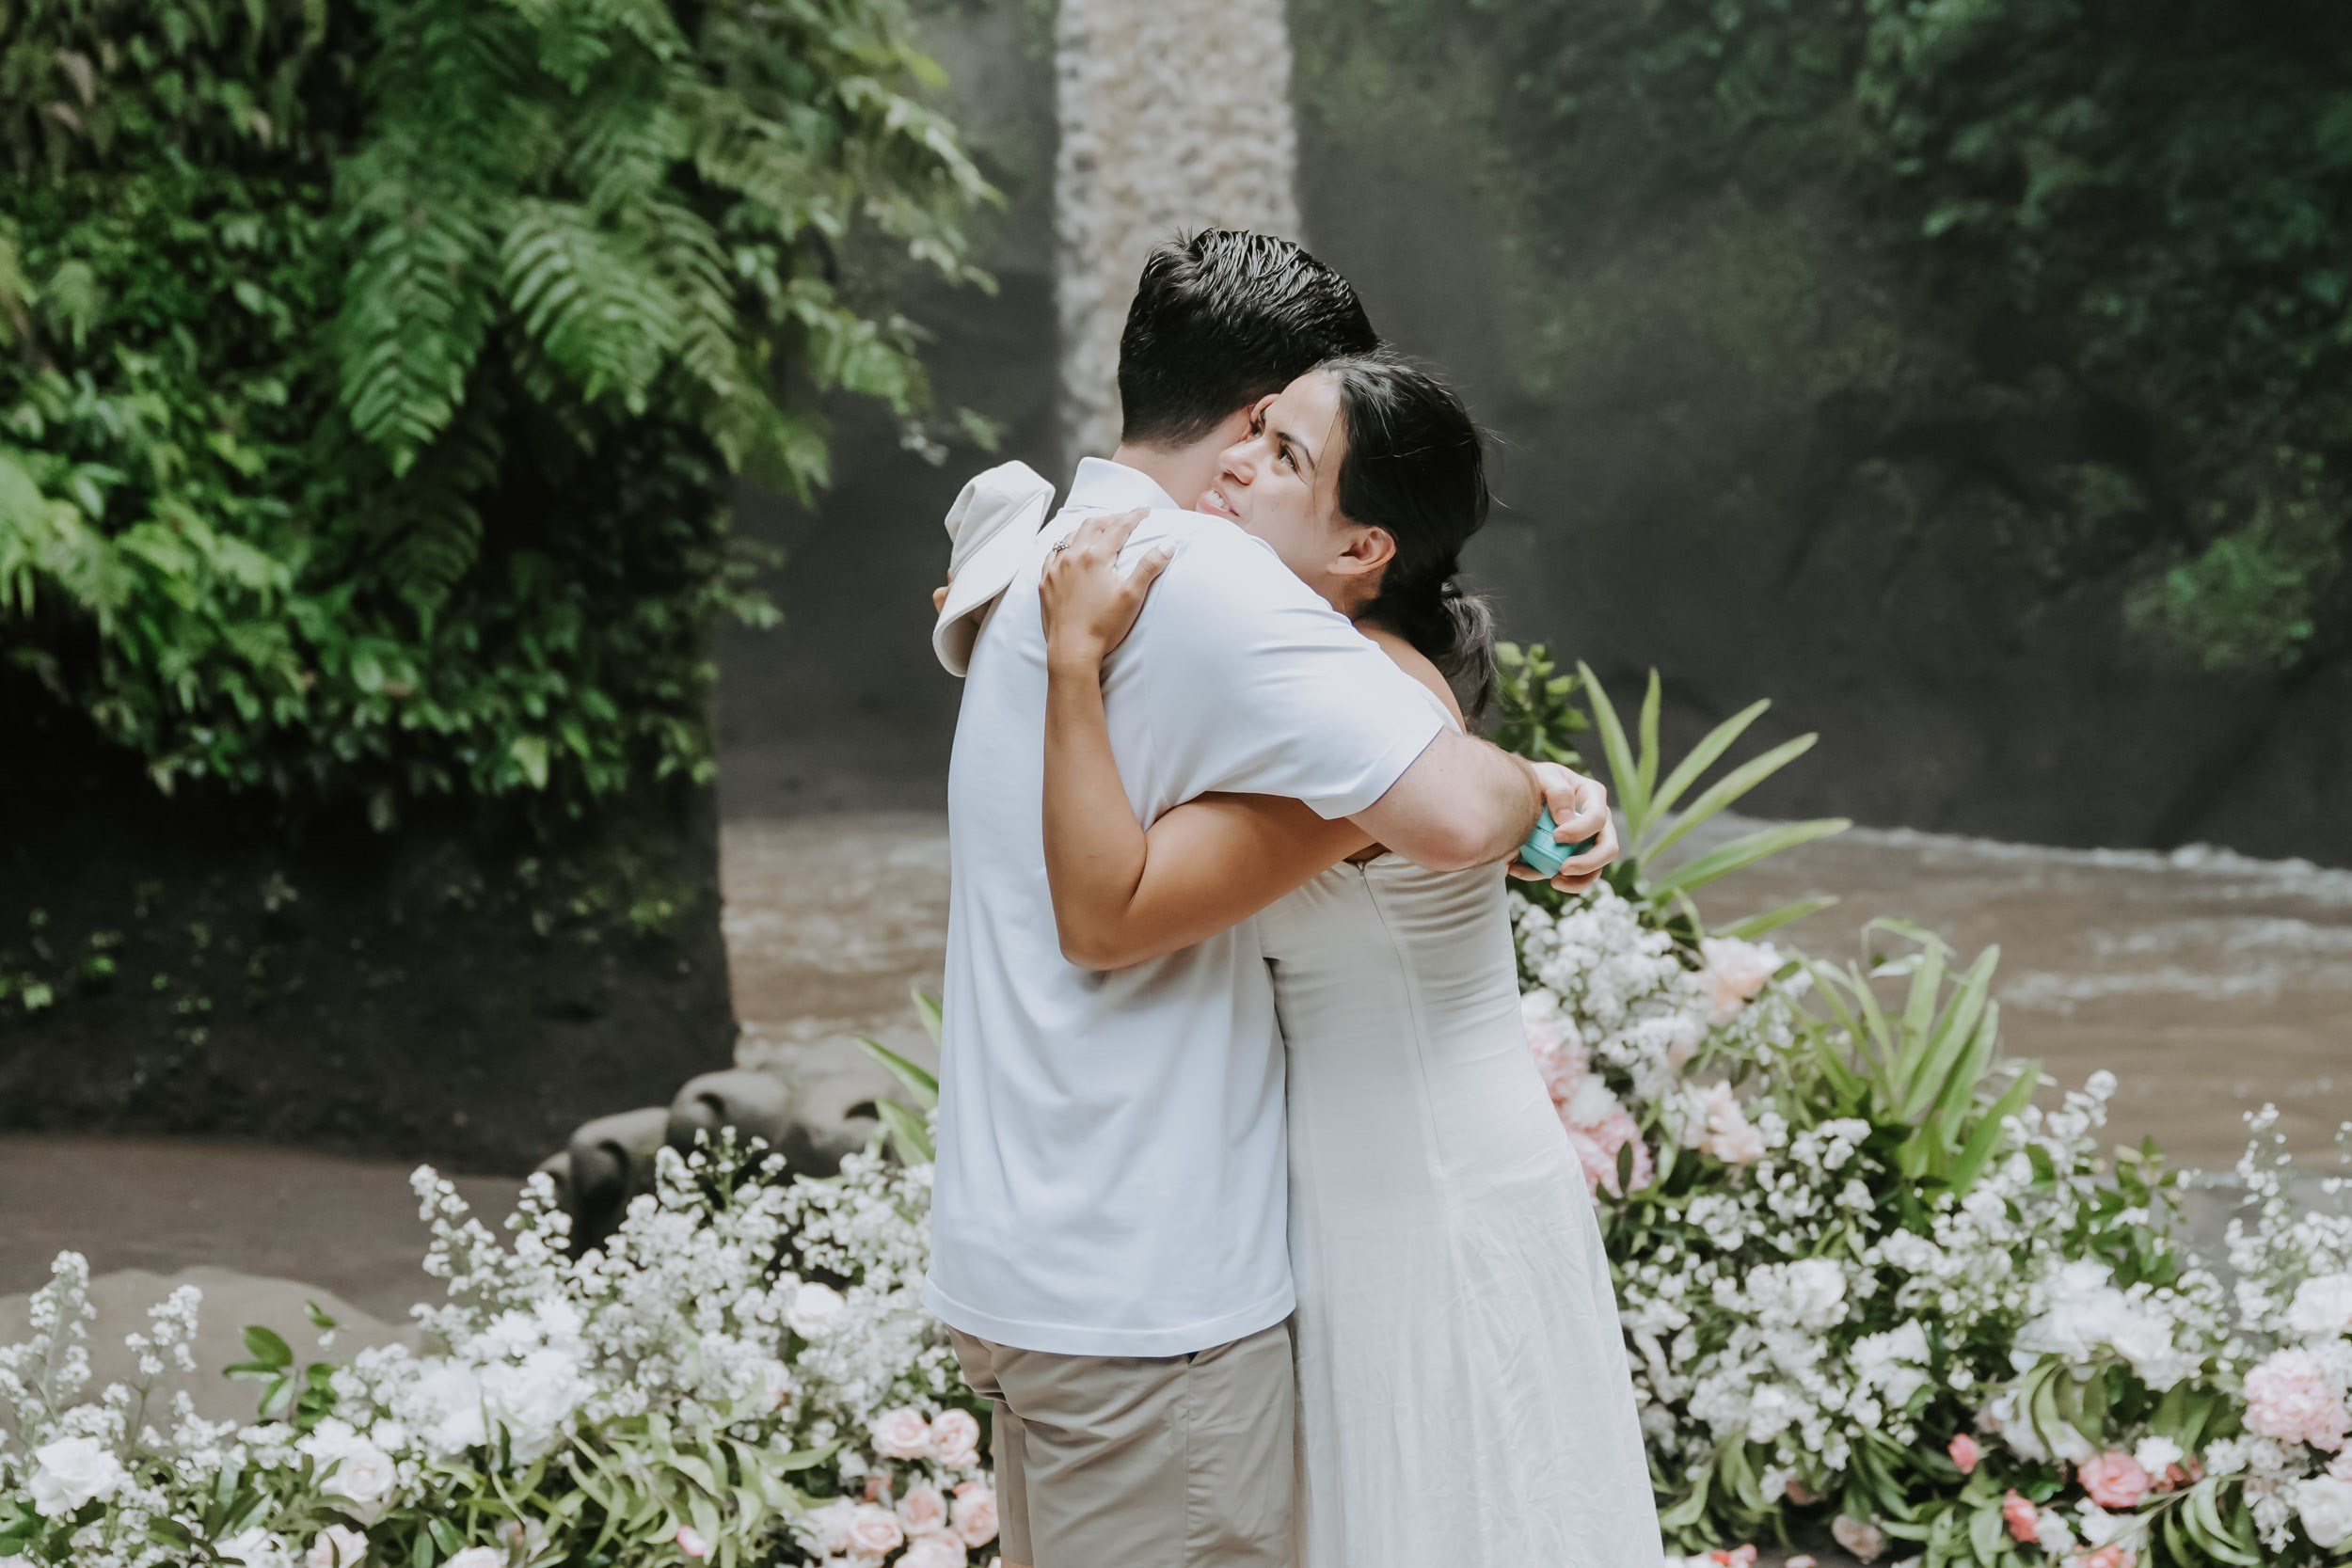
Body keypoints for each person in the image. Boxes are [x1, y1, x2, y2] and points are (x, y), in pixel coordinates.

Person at [923, 231, 1616, 1568]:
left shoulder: (1051, 539)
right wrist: (1541, 790)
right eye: (1279, 431)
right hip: (1159, 1282)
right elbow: (1462, 814)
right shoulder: (1205, 588)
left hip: (1120, 1250)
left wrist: (1534, 794)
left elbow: (1456, 808)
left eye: (1296, 453)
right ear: (1252, 414)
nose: (1255, 467)